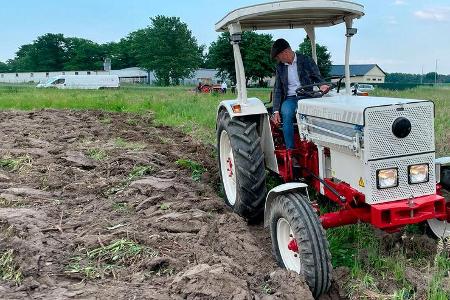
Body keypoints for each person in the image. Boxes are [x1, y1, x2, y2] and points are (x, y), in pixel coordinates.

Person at [271, 38, 329, 150]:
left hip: (307, 97)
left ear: (286, 52)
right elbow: (278, 89)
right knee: (287, 114)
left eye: (278, 57)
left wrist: (322, 85)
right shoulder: (280, 67)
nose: (278, 60)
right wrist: (276, 110)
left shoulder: (306, 60)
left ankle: (320, 147)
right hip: (290, 98)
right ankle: (291, 150)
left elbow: (317, 76)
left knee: (321, 113)